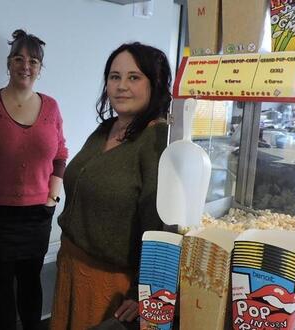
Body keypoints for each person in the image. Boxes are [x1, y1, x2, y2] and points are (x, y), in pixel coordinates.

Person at [51, 42, 173, 329]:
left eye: (134, 77)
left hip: (110, 285)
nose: (121, 86)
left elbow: (157, 224)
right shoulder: (106, 129)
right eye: (114, 77)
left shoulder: (156, 141)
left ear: (155, 84)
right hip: (71, 266)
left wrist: (142, 292)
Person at [0, 29, 68, 330]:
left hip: (37, 215)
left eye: (33, 61)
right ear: (8, 63)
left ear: (40, 68)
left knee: (31, 282)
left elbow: (60, 154)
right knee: (0, 283)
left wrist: (52, 199)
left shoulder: (51, 106)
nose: (25, 65)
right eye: (18, 58)